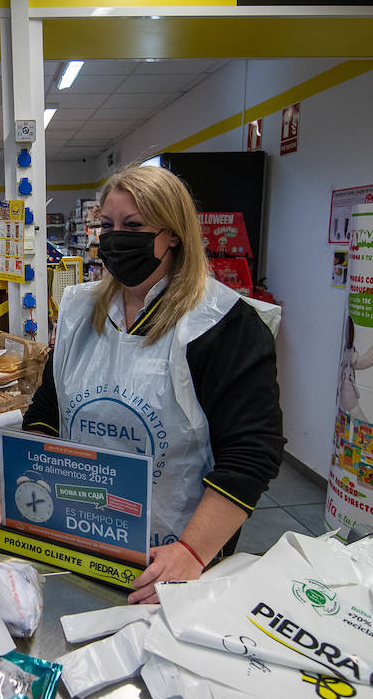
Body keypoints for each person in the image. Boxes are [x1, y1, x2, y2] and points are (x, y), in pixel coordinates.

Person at [20, 165, 285, 603]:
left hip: (173, 556)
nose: (115, 237)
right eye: (106, 225)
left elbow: (253, 451)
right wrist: (26, 491)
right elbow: (48, 411)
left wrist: (191, 553)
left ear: (174, 234)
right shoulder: (80, 312)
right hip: (80, 534)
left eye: (133, 226)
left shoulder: (221, 324)